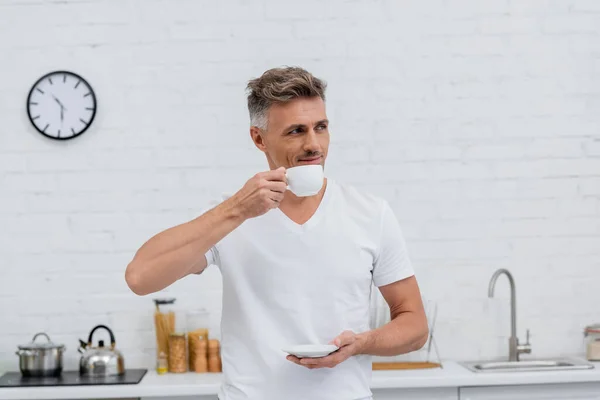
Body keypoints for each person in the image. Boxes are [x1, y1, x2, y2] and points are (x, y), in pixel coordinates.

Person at [125, 66, 429, 400]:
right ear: (259, 138)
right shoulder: (231, 216)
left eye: (321, 127)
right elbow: (140, 277)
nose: (314, 144)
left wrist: (362, 343)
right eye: (296, 131)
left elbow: (414, 326)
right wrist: (237, 209)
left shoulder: (371, 213)